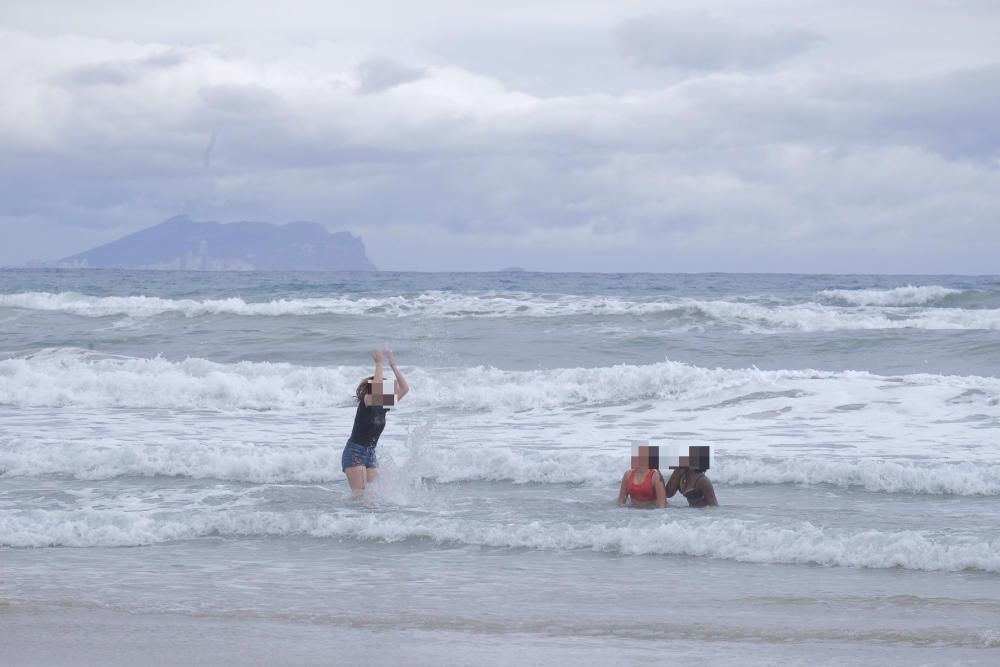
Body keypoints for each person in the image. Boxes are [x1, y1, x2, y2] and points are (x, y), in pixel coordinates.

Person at [342, 349, 410, 496]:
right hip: (355, 451)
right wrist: (379, 363)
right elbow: (376, 390)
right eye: (384, 389)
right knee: (360, 498)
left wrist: (393, 365)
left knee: (374, 497)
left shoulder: (384, 405)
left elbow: (405, 388)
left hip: (370, 454)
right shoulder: (367, 400)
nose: (388, 392)